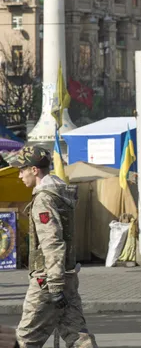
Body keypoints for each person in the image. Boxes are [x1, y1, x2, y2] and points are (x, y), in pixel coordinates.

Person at [11, 146, 97, 347]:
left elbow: (52, 241)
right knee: (77, 335)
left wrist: (55, 284)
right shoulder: (60, 193)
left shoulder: (44, 199)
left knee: (26, 339)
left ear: (34, 170)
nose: (19, 175)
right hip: (67, 274)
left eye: (22, 169)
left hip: (48, 279)